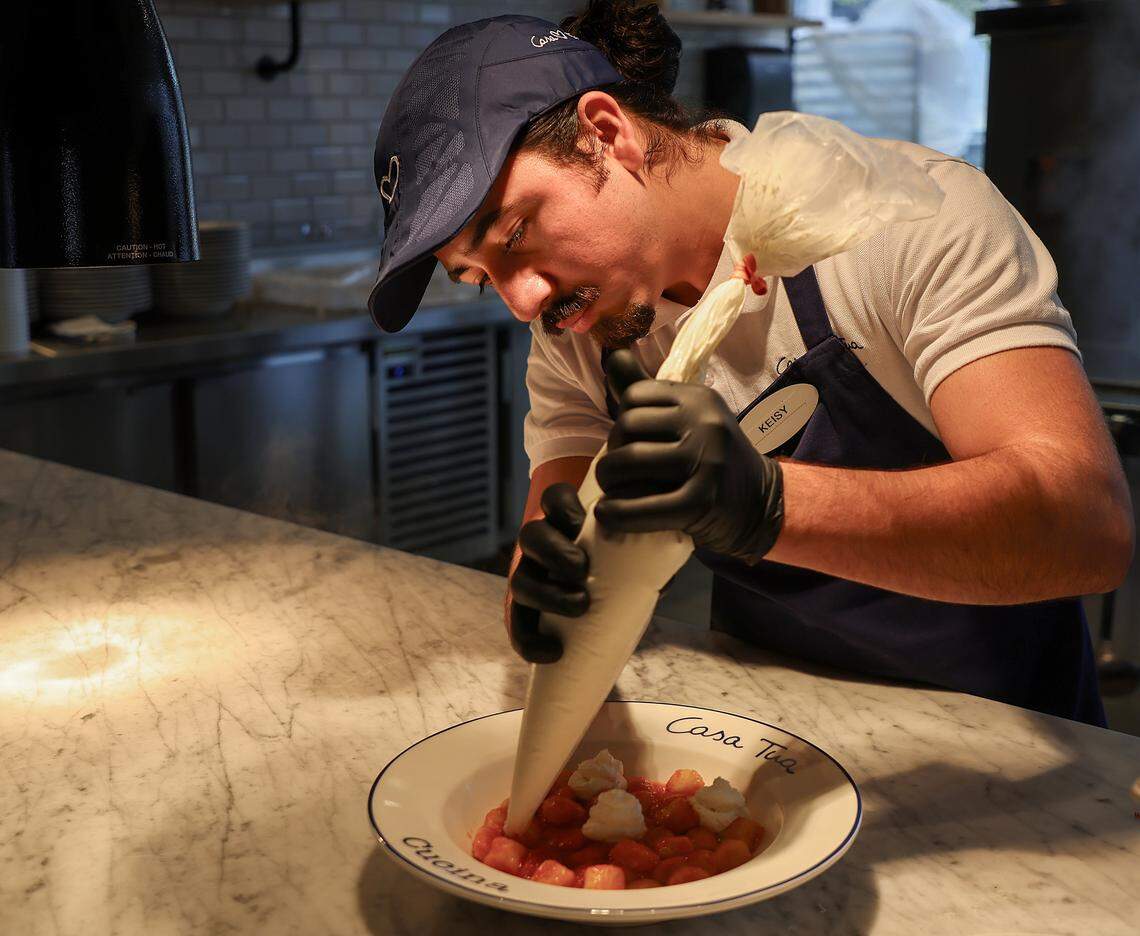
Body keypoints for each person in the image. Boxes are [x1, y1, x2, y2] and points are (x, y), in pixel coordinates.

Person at [367, 1, 1133, 727]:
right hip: (772, 743)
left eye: (517, 235)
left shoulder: (901, 222)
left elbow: (1085, 527)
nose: (523, 301)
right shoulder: (580, 329)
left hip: (1003, 754)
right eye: (478, 277)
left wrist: (766, 503)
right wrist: (544, 598)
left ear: (608, 134)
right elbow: (561, 538)